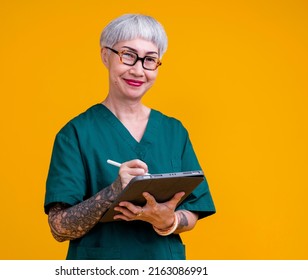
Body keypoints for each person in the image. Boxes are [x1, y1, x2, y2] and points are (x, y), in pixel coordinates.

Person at [44, 14, 215, 260]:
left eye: (150, 60)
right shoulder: (75, 134)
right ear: (106, 56)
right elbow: (59, 227)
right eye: (128, 55)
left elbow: (194, 211)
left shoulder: (174, 131)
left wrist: (170, 221)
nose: (138, 70)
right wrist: (113, 191)